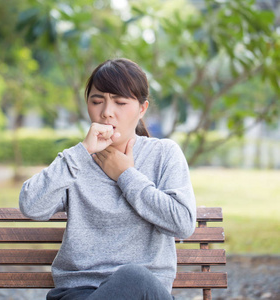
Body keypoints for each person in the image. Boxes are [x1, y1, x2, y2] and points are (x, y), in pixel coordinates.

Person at [19, 58, 196, 300]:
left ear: (142, 109)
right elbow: (31, 205)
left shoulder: (164, 154)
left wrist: (126, 176)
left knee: (134, 278)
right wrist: (81, 152)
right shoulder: (76, 162)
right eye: (96, 101)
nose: (106, 113)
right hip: (79, 292)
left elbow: (182, 223)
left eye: (120, 102)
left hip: (145, 294)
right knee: (132, 278)